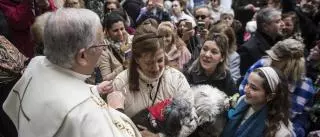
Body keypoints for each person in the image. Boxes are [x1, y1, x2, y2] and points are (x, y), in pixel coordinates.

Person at [2, 8, 141, 137]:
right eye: (101, 44)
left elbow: (59, 91)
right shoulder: (87, 116)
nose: (103, 49)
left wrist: (95, 89)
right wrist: (116, 109)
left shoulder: (36, 64)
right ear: (82, 56)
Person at [239, 39, 316, 137]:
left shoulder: (305, 88)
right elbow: (243, 89)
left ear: (290, 63)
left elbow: (302, 119)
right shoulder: (263, 65)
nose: (271, 61)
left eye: (276, 60)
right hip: (249, 120)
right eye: (271, 57)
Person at [110, 25, 190, 118]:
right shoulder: (121, 83)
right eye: (149, 63)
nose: (156, 68)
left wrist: (160, 133)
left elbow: (190, 118)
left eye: (160, 60)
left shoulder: (177, 79)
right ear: (136, 59)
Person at [222, 67, 294, 137]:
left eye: (253, 88)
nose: (245, 90)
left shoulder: (279, 133)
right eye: (247, 84)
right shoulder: (242, 100)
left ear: (270, 96)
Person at [237, 7, 284, 75]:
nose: (282, 24)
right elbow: (244, 80)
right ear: (265, 26)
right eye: (277, 21)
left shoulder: (282, 42)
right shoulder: (247, 49)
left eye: (281, 20)